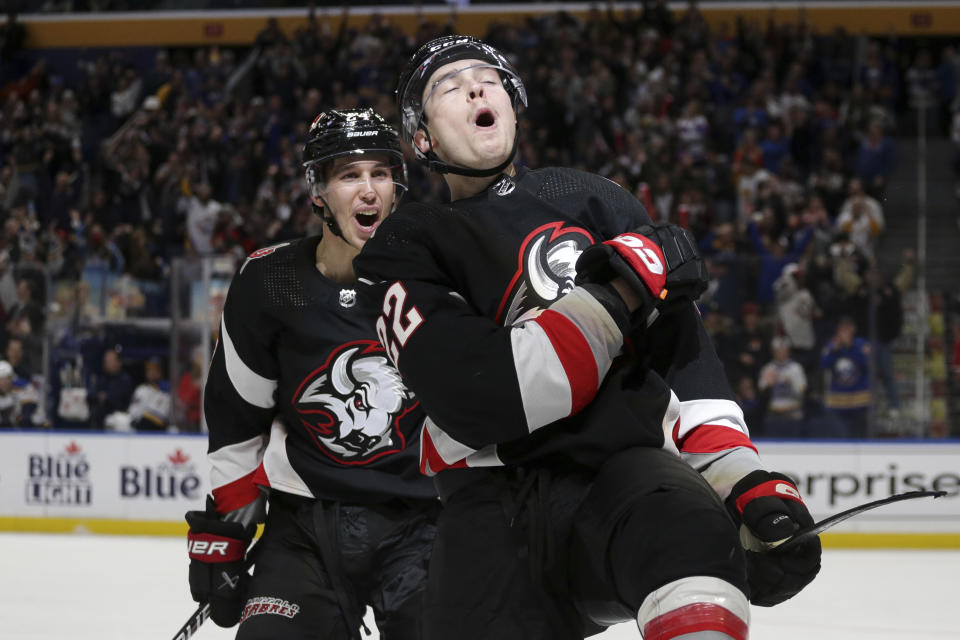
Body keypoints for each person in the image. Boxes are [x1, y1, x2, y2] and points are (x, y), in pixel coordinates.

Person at [354, 35, 821, 640]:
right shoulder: (403, 244)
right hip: (494, 511)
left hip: (623, 477)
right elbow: (485, 395)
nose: (474, 87)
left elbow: (683, 360)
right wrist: (618, 295)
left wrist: (741, 480)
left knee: (696, 545)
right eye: (448, 85)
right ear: (424, 139)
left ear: (513, 105)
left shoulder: (594, 198)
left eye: (489, 78)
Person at [184, 108, 438, 640]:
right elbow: (237, 419)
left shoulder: (438, 276)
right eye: (349, 175)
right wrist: (227, 534)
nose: (368, 190)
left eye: (380, 173)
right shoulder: (270, 281)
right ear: (317, 192)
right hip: (306, 529)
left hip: (426, 526)